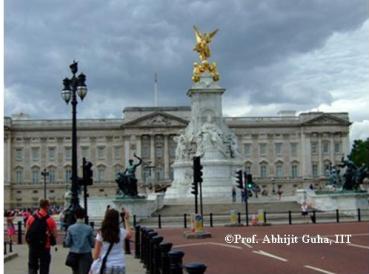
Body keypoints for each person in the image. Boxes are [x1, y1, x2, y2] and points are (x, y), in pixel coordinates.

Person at [91, 209, 132, 274]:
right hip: (120, 265)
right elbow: (129, 234)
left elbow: (95, 255)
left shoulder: (101, 233)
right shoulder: (121, 232)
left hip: (106, 265)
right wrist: (126, 220)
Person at [26, 199, 57, 274]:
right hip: (45, 246)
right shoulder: (50, 220)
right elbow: (55, 235)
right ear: (47, 206)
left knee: (32, 267)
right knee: (44, 267)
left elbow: (27, 233)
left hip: (33, 246)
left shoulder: (31, 218)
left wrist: (29, 244)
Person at [64, 208, 94, 274]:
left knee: (75, 272)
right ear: (84, 216)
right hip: (86, 254)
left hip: (74, 254)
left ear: (75, 216)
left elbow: (67, 243)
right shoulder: (88, 228)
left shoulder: (71, 228)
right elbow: (92, 243)